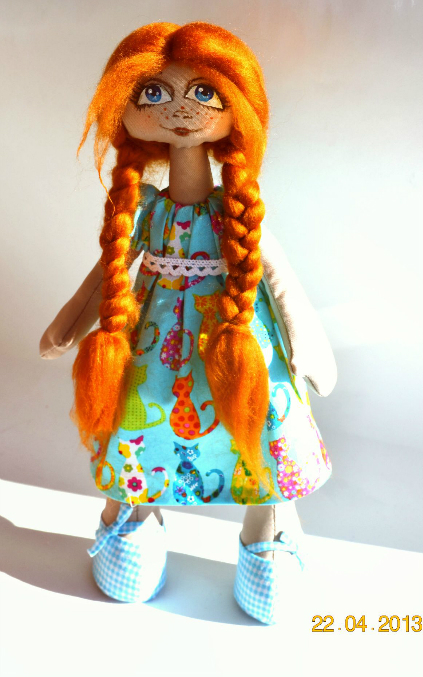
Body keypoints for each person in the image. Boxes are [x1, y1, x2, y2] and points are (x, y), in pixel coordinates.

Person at [40, 21, 337, 624]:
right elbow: (107, 272)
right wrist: (71, 323)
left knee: (259, 419)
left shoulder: (238, 214)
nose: (179, 109)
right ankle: (134, 513)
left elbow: (280, 281)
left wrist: (307, 344)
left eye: (205, 93)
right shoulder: (144, 210)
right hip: (153, 341)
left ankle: (269, 525)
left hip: (237, 337)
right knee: (139, 413)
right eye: (153, 93)